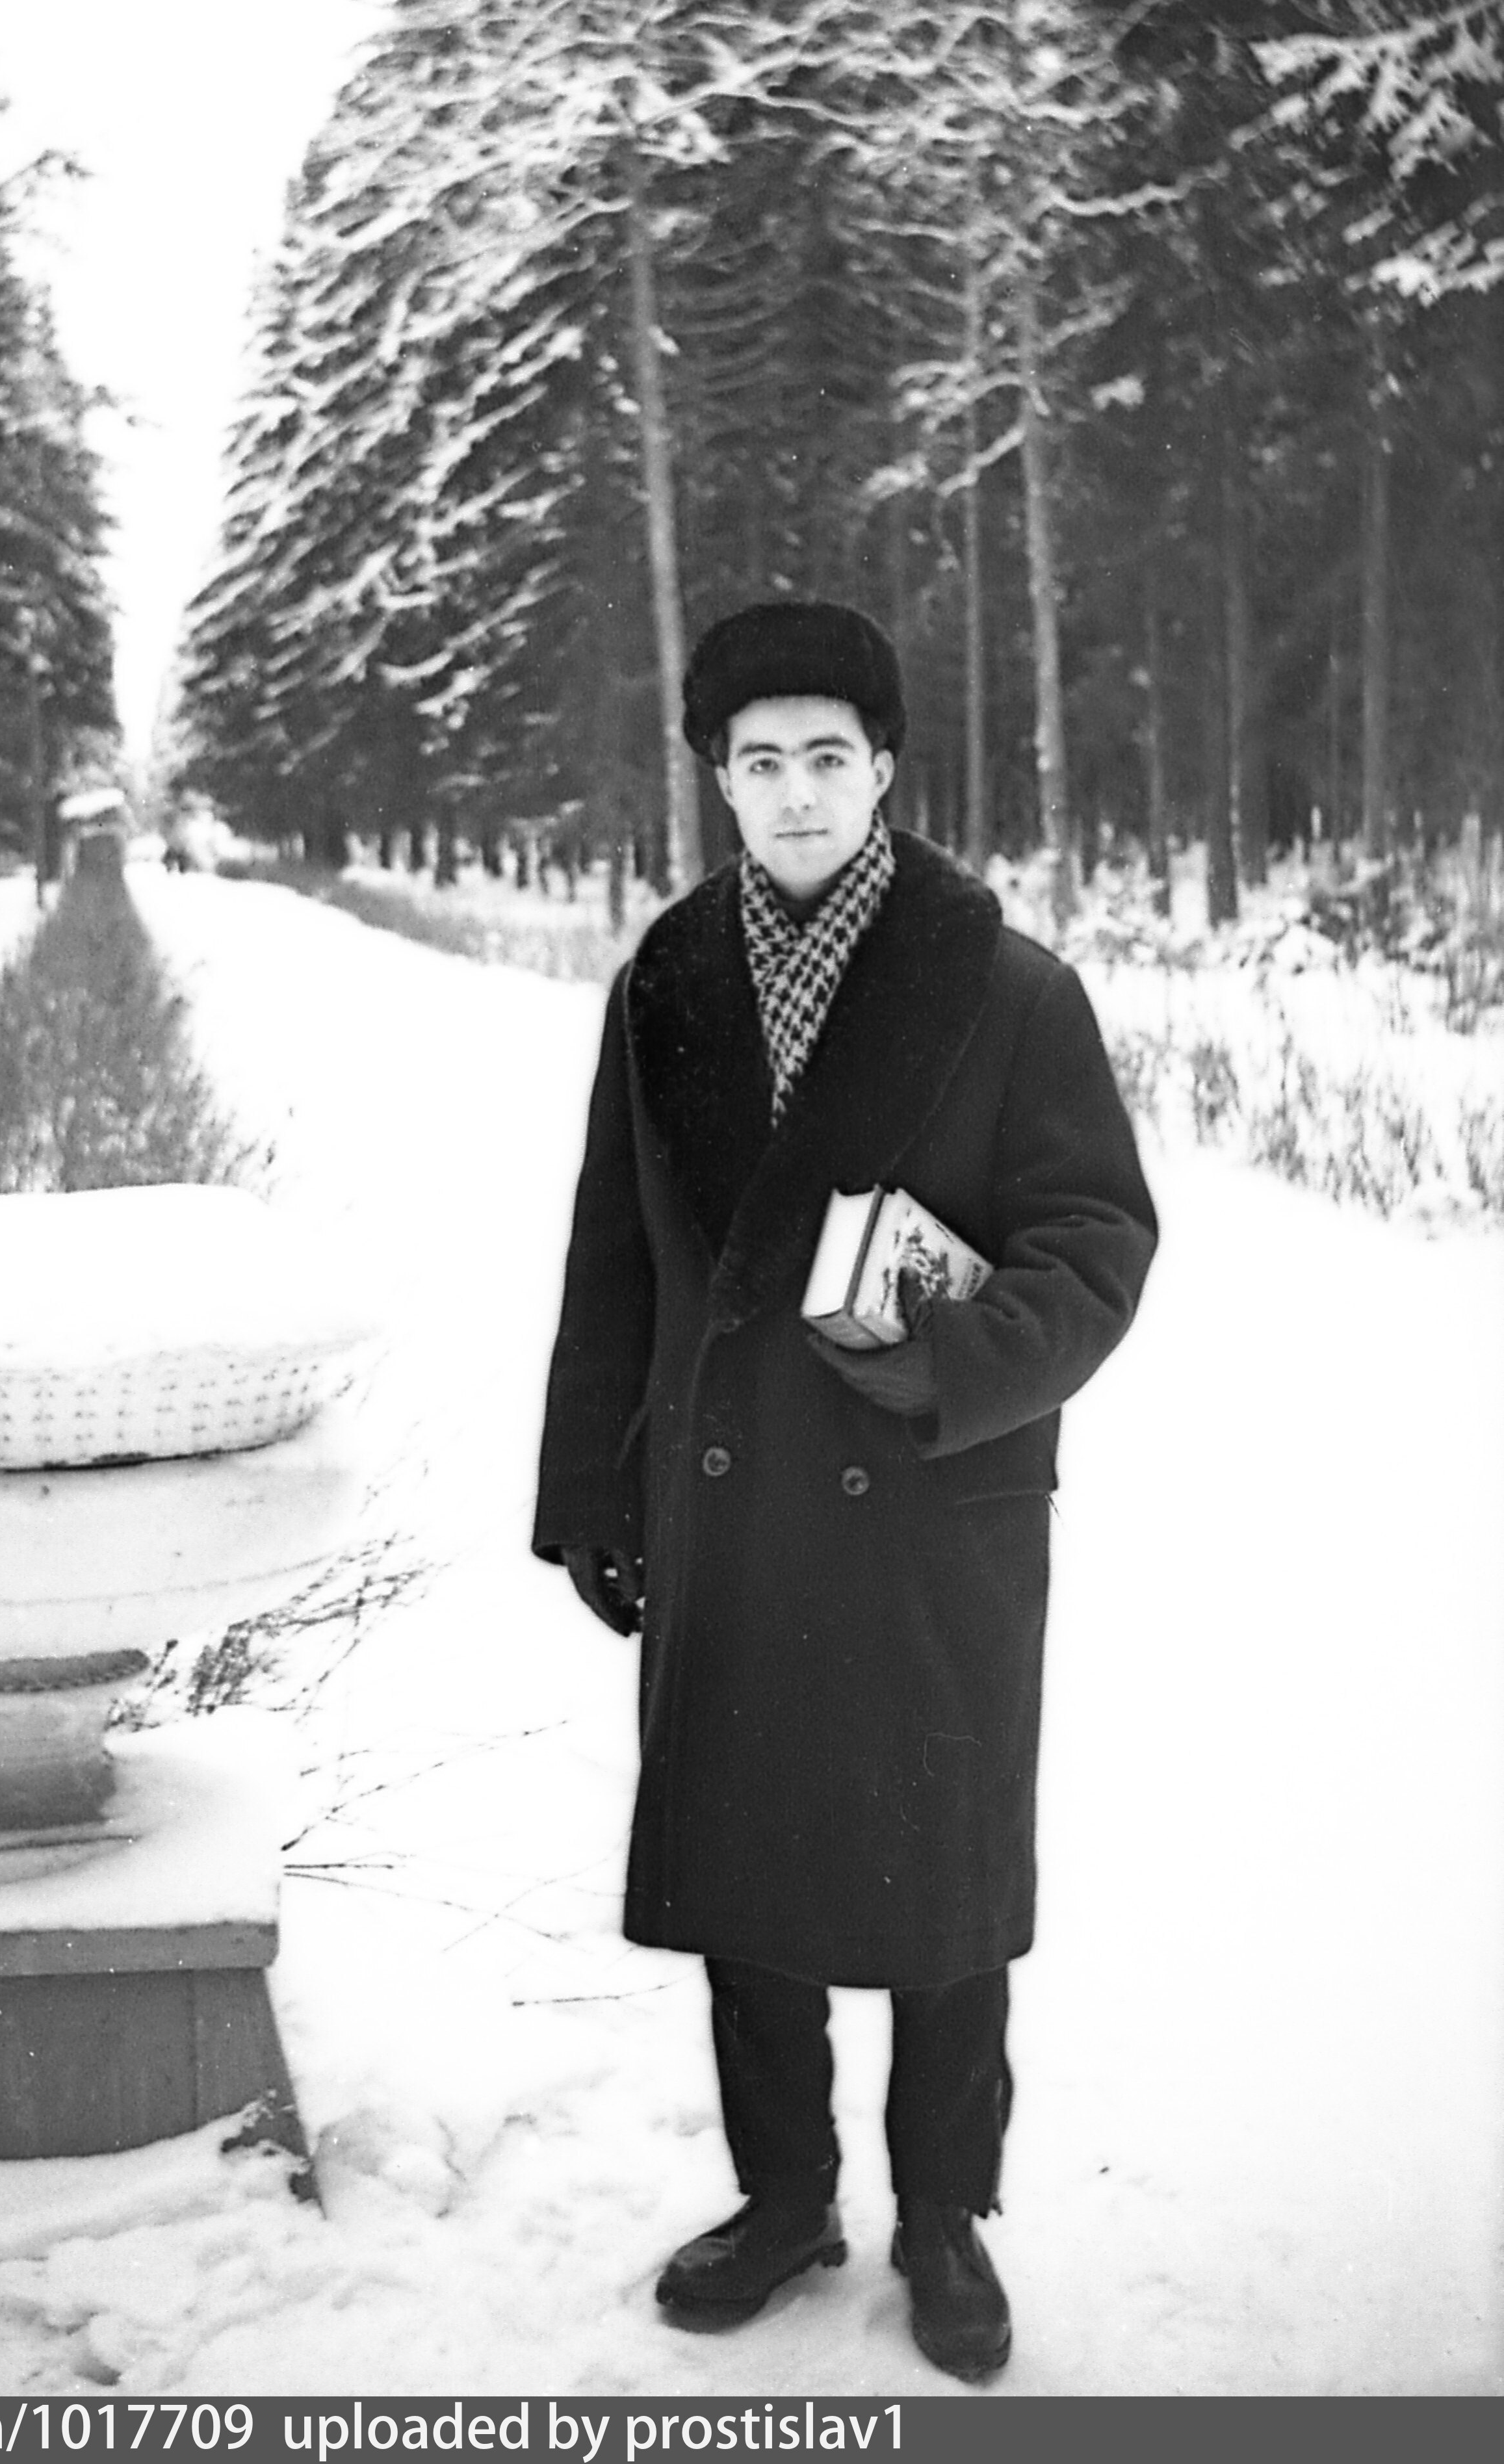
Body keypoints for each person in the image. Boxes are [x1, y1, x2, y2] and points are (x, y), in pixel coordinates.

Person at [534, 598, 1157, 2385]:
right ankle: (786, 2196)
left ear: (884, 768)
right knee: (749, 1882)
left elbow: (1096, 1240)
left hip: (934, 1505)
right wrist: (595, 1488)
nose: (796, 791)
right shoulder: (663, 982)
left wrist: (955, 1365)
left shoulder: (1010, 989)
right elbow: (614, 1253)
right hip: (732, 1506)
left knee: (941, 1889)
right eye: (760, 761)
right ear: (717, 780)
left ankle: (943, 2213)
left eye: (828, 755)